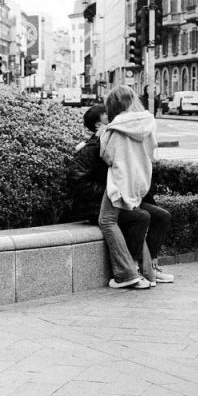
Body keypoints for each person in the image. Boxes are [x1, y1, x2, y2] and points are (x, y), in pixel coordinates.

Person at [68, 103, 151, 289]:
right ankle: (130, 270)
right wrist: (108, 192)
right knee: (139, 217)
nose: (113, 117)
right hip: (93, 205)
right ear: (99, 125)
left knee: (152, 214)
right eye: (107, 115)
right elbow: (78, 181)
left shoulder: (111, 140)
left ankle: (144, 269)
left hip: (114, 199)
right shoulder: (91, 148)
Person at [99, 85, 174, 288]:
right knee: (139, 217)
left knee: (107, 221)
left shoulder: (114, 128)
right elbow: (152, 151)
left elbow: (107, 156)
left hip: (120, 181)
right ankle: (146, 272)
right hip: (140, 181)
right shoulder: (148, 123)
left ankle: (126, 273)